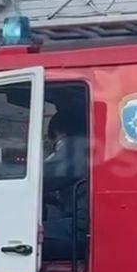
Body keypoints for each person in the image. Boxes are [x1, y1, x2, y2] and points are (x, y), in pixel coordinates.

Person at [42, 110, 89, 264]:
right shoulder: (87, 148)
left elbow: (43, 178)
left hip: (78, 229)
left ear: (59, 132)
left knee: (16, 236)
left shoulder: (74, 146)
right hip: (83, 226)